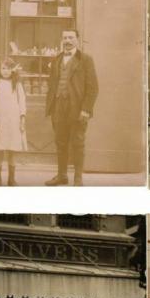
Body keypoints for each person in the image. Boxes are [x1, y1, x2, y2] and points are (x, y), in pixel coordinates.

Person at [44, 29, 98, 187]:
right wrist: (51, 106)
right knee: (60, 143)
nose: (67, 40)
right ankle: (62, 176)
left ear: (77, 40)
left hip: (77, 108)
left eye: (71, 37)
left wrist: (86, 109)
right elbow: (52, 84)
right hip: (58, 107)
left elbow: (93, 87)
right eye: (64, 37)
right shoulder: (57, 59)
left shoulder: (86, 59)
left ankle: (77, 178)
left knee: (78, 143)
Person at [0, 57, 27, 186]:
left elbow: (22, 101)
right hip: (0, 119)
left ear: (13, 70)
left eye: (8, 68)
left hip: (14, 119)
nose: (5, 71)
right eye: (3, 68)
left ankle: (11, 178)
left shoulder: (17, 84)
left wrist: (22, 118)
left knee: (12, 148)